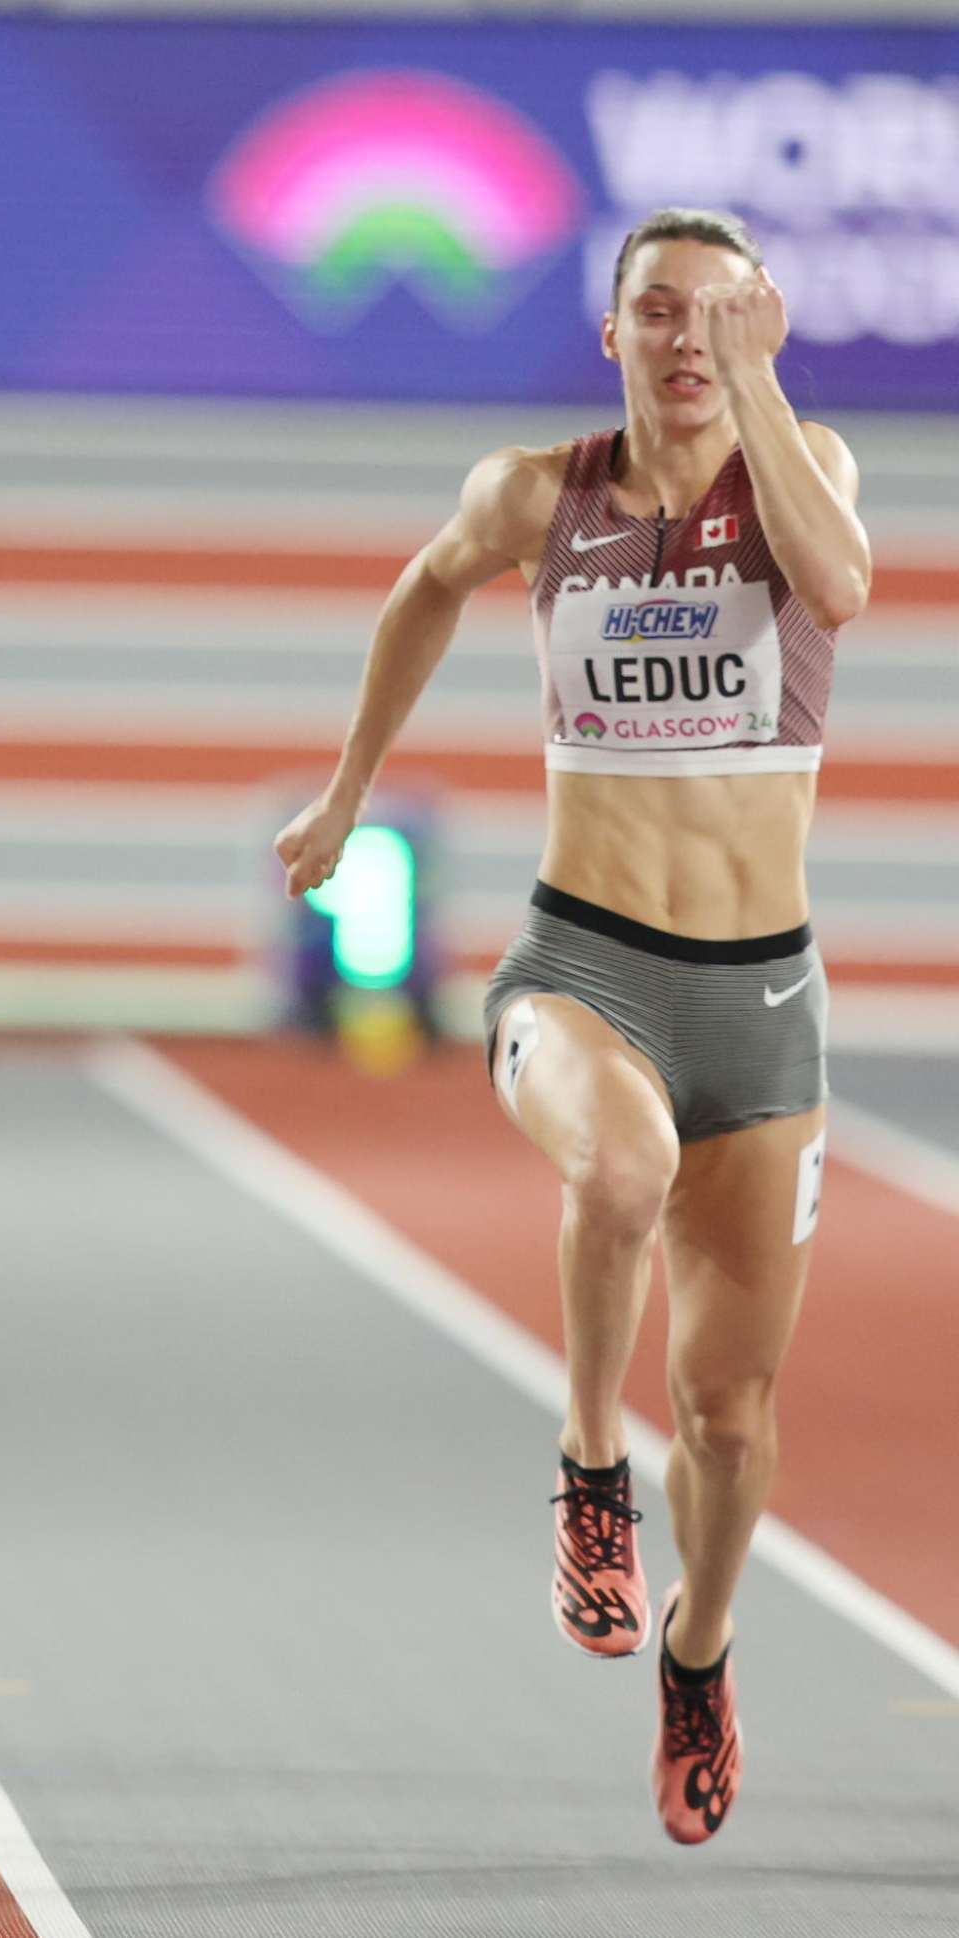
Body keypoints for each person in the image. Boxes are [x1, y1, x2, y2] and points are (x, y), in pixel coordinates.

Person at [277, 210, 869, 1844]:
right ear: (608, 333)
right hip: (583, 965)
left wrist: (755, 397)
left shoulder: (802, 462)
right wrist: (346, 793)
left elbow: (839, 585)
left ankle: (697, 1644)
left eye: (719, 314)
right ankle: (590, 1469)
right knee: (618, 1173)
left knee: (737, 1421)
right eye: (656, 312)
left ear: (760, 324)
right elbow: (423, 589)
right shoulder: (539, 491)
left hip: (760, 996)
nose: (685, 338)